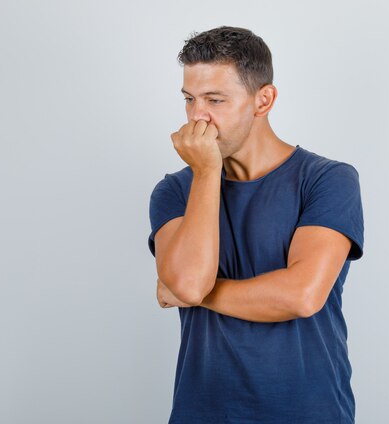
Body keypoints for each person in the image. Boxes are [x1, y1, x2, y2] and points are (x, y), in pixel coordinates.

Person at [147, 26, 364, 424]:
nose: (198, 117)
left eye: (215, 100)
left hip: (309, 412)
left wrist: (195, 294)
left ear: (263, 100)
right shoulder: (175, 191)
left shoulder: (327, 179)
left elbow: (301, 295)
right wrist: (208, 171)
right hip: (203, 413)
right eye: (189, 99)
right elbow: (189, 283)